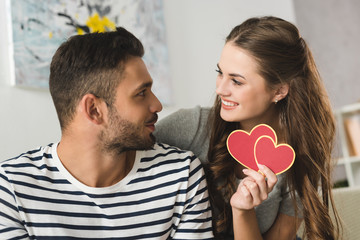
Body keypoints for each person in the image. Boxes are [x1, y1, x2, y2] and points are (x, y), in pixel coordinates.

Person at [0, 28, 213, 239]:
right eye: (141, 93)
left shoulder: (181, 175)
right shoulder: (11, 188)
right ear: (94, 110)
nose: (157, 105)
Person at [155, 16, 341, 239]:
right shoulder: (194, 126)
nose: (221, 89)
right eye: (220, 73)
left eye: (237, 81)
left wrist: (243, 210)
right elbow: (124, 155)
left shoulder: (296, 155)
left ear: (279, 91)